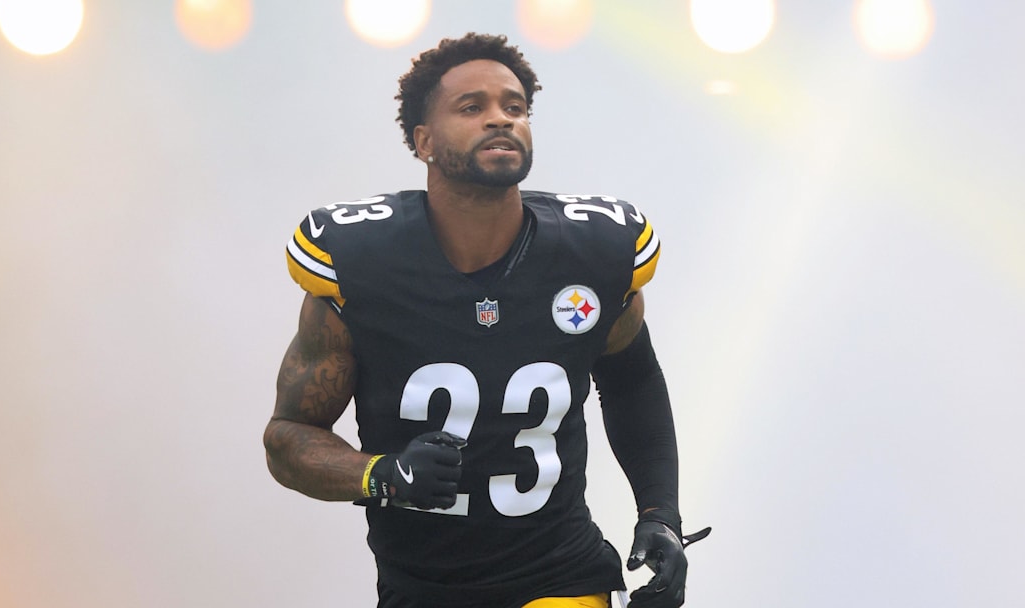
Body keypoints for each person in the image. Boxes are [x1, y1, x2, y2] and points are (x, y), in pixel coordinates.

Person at [264, 33, 708, 608]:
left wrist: (660, 514)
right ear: (422, 140)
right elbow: (288, 436)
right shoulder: (362, 263)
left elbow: (633, 382)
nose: (500, 119)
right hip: (421, 587)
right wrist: (381, 474)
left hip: (560, 575)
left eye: (515, 106)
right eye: (472, 107)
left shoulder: (593, 251)